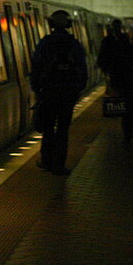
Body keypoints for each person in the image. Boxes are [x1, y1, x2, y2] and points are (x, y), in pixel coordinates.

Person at [30, 10, 88, 176]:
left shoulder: (45, 44)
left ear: (51, 25)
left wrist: (37, 89)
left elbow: (36, 67)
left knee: (48, 128)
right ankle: (59, 165)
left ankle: (46, 161)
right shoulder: (74, 44)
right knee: (63, 129)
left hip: (48, 92)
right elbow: (82, 70)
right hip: (67, 93)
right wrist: (76, 89)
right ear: (69, 25)